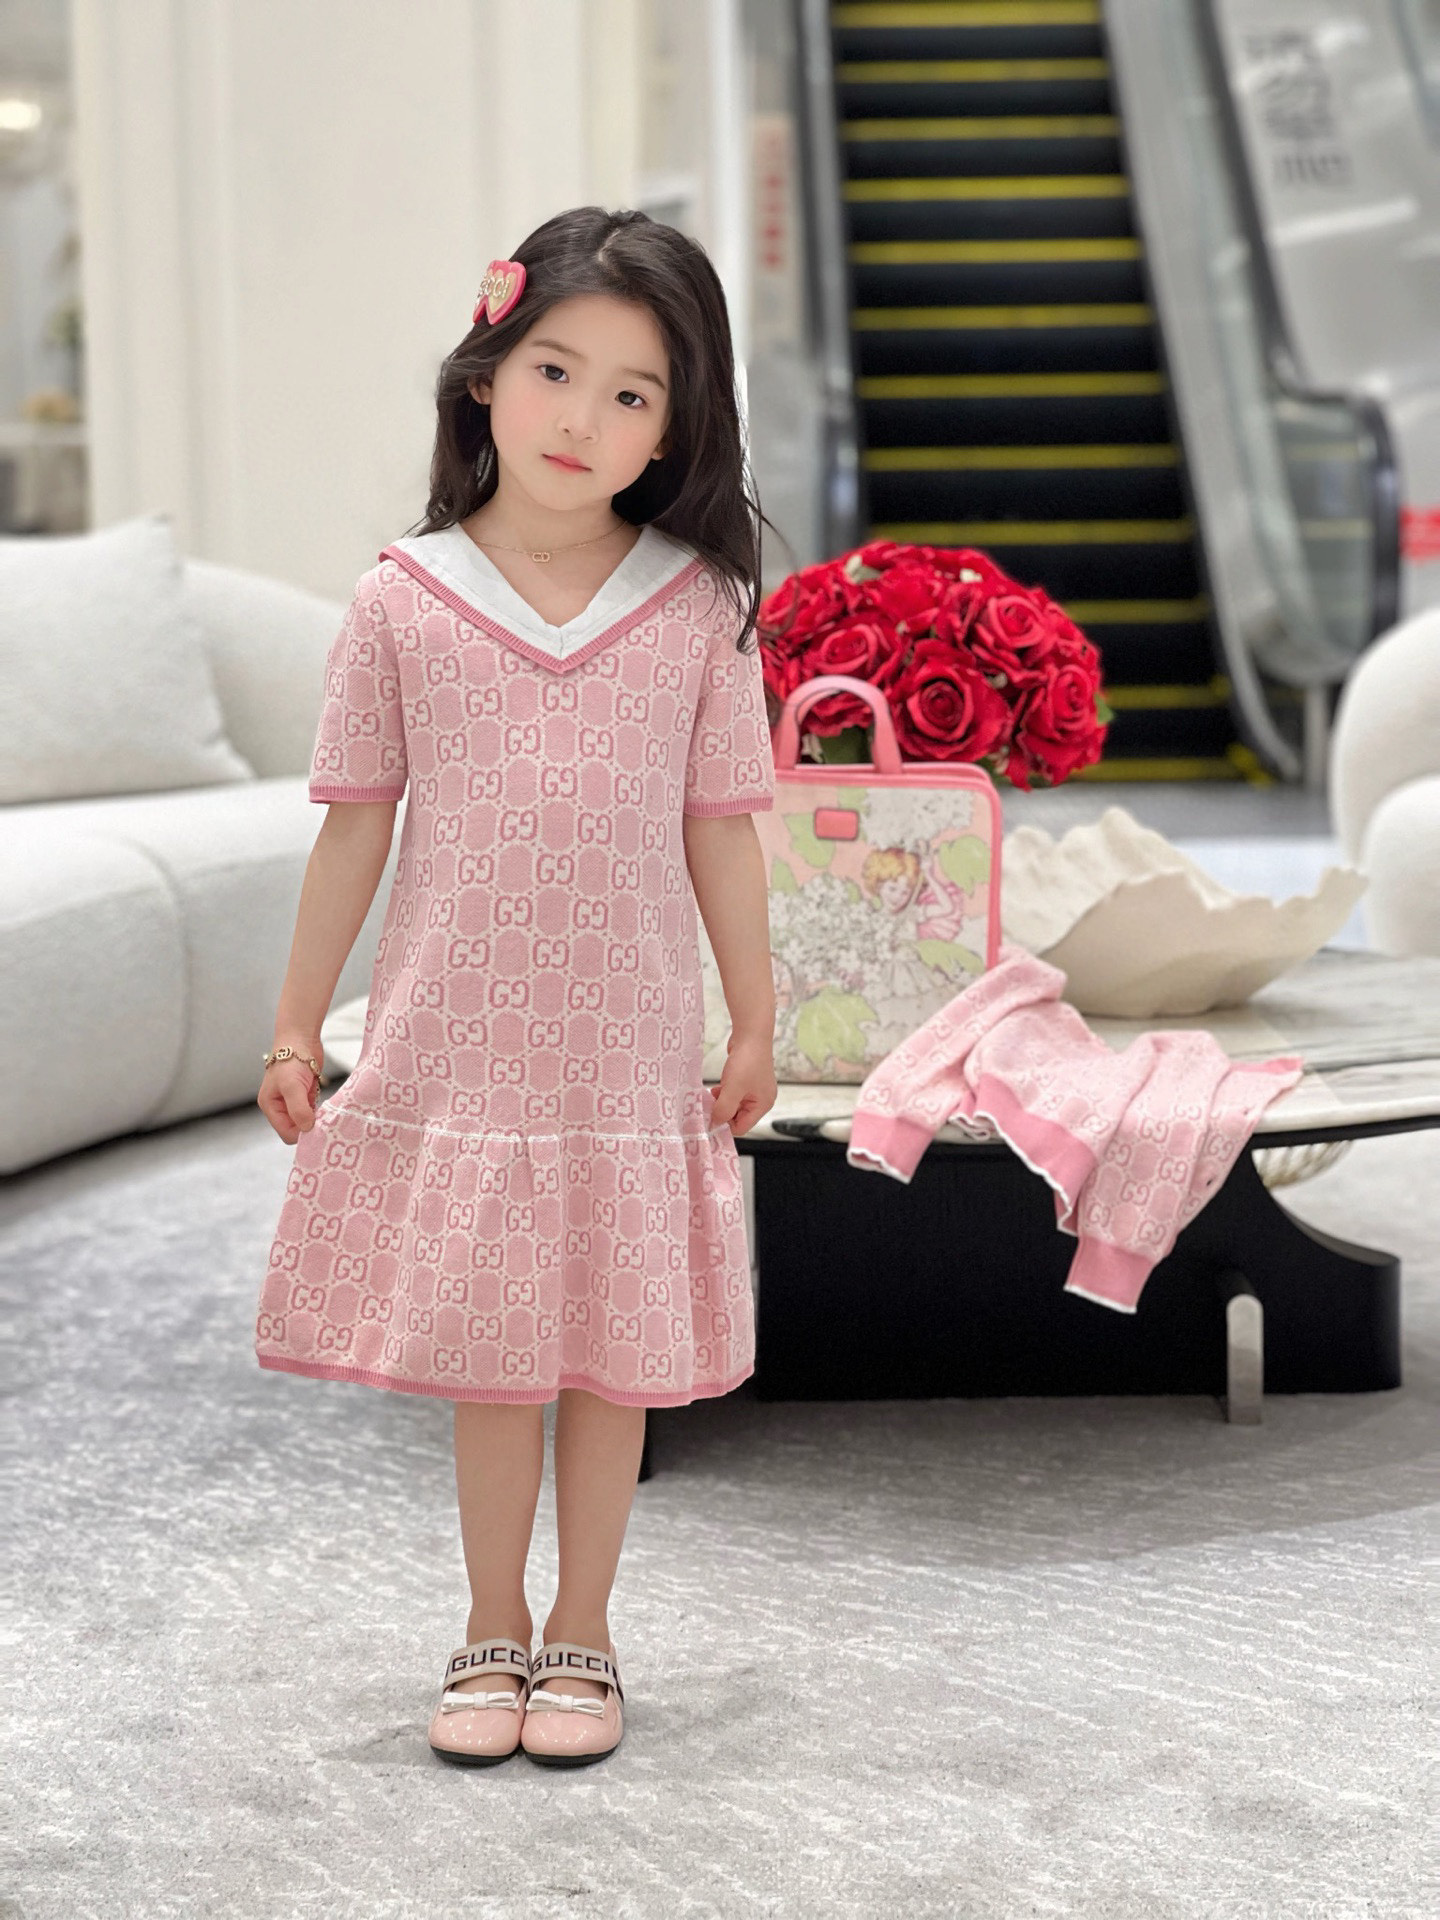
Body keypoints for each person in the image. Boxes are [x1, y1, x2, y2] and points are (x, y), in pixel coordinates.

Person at [253, 207, 777, 1769]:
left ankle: (585, 1631)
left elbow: (723, 832)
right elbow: (356, 826)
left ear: (675, 429)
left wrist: (755, 1017)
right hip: (462, 1045)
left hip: (624, 1052)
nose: (582, 418)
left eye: (632, 393)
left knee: (610, 1356)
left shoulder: (699, 608)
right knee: (493, 1359)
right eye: (555, 370)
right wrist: (296, 1018)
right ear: (485, 375)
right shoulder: (402, 601)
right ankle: (492, 1623)